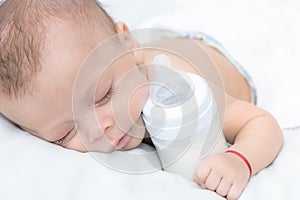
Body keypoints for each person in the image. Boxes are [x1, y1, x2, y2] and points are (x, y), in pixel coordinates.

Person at [0, 0, 283, 199]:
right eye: (66, 133)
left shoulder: (182, 91)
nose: (101, 128)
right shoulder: (104, 73)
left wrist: (239, 161)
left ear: (128, 45)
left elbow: (260, 122)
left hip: (223, 46)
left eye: (102, 95)